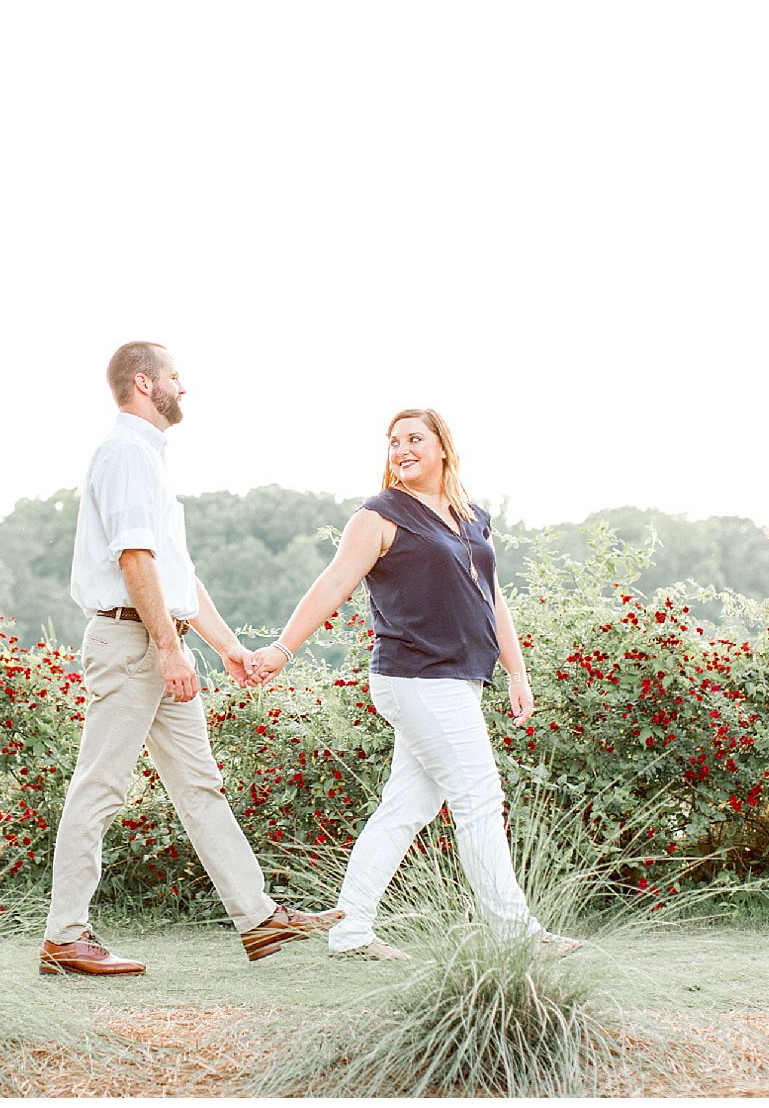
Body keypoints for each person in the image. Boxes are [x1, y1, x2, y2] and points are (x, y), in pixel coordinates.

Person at [39, 341, 344, 976]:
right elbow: (135, 560)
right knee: (100, 783)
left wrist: (228, 649)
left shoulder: (148, 457)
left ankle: (257, 919)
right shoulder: (126, 452)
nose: (186, 386)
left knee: (200, 785)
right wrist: (168, 648)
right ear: (145, 384)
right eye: (177, 376)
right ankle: (64, 937)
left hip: (153, 640)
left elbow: (178, 577)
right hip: (134, 644)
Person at [245, 407, 581, 960]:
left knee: (406, 809)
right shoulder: (378, 516)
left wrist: (517, 673)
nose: (401, 449)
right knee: (478, 799)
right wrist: (282, 649)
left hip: (462, 678)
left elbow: (492, 599)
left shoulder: (472, 516)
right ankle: (517, 936)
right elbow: (332, 584)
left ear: (442, 446)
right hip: (415, 677)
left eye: (414, 438)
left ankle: (349, 933)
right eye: (393, 441)